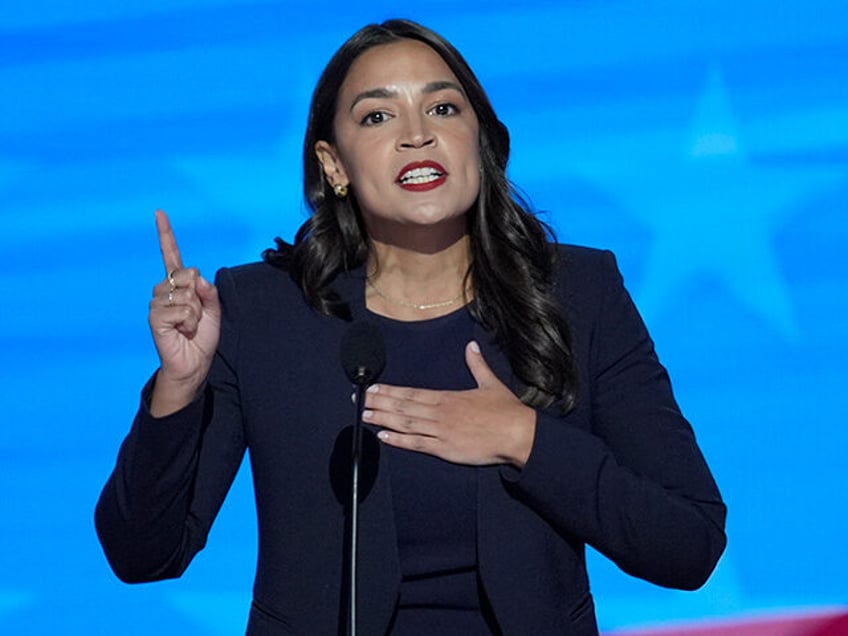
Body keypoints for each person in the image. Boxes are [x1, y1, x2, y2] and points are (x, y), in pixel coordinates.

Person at [95, 18, 727, 636]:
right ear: (333, 165)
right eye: (377, 116)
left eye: (444, 109)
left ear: (480, 140)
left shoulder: (577, 293)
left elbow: (688, 544)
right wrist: (178, 388)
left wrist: (526, 440)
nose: (416, 136)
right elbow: (143, 556)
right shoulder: (262, 312)